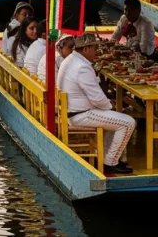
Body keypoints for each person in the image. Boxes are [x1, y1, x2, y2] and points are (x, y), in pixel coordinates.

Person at [58, 33, 136, 175]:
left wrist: (110, 108)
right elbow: (98, 99)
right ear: (86, 49)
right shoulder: (82, 67)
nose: (97, 52)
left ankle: (105, 156)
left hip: (74, 110)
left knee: (115, 117)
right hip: (80, 115)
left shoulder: (71, 59)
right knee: (128, 122)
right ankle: (111, 162)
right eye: (95, 48)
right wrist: (111, 107)